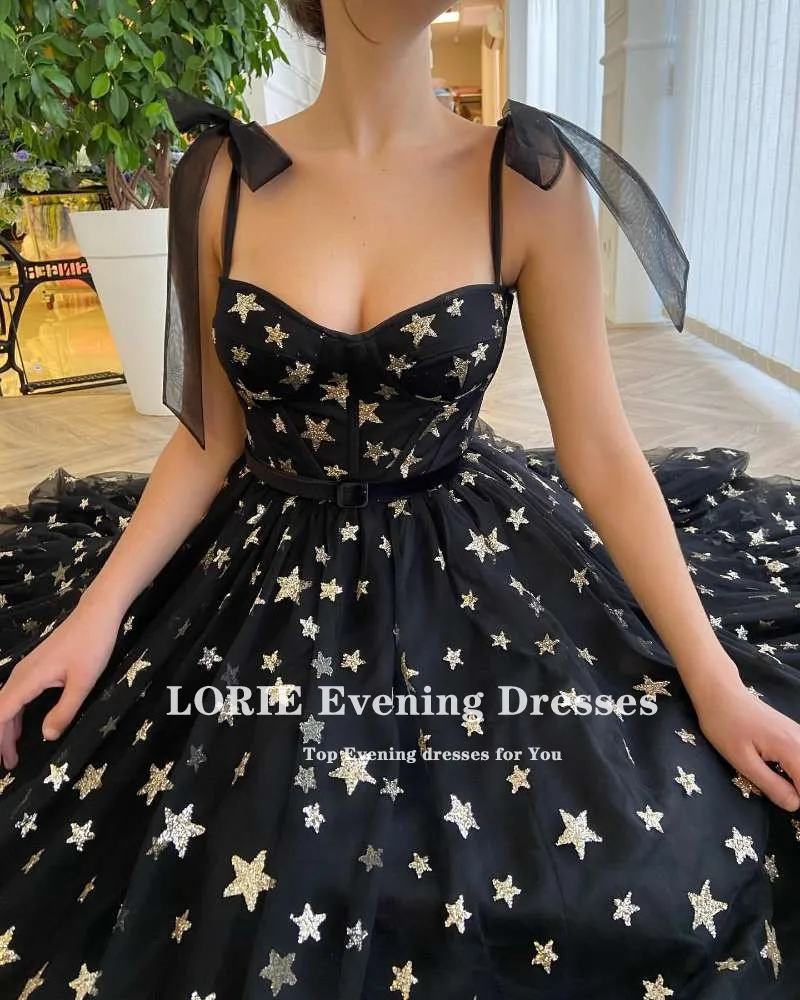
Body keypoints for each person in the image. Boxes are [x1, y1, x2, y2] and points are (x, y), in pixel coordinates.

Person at [0, 1, 798, 997]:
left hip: (468, 568)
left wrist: (715, 683)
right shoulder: (218, 177)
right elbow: (210, 438)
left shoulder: (525, 176)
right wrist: (97, 613)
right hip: (263, 580)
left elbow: (597, 449)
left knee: (629, 873)